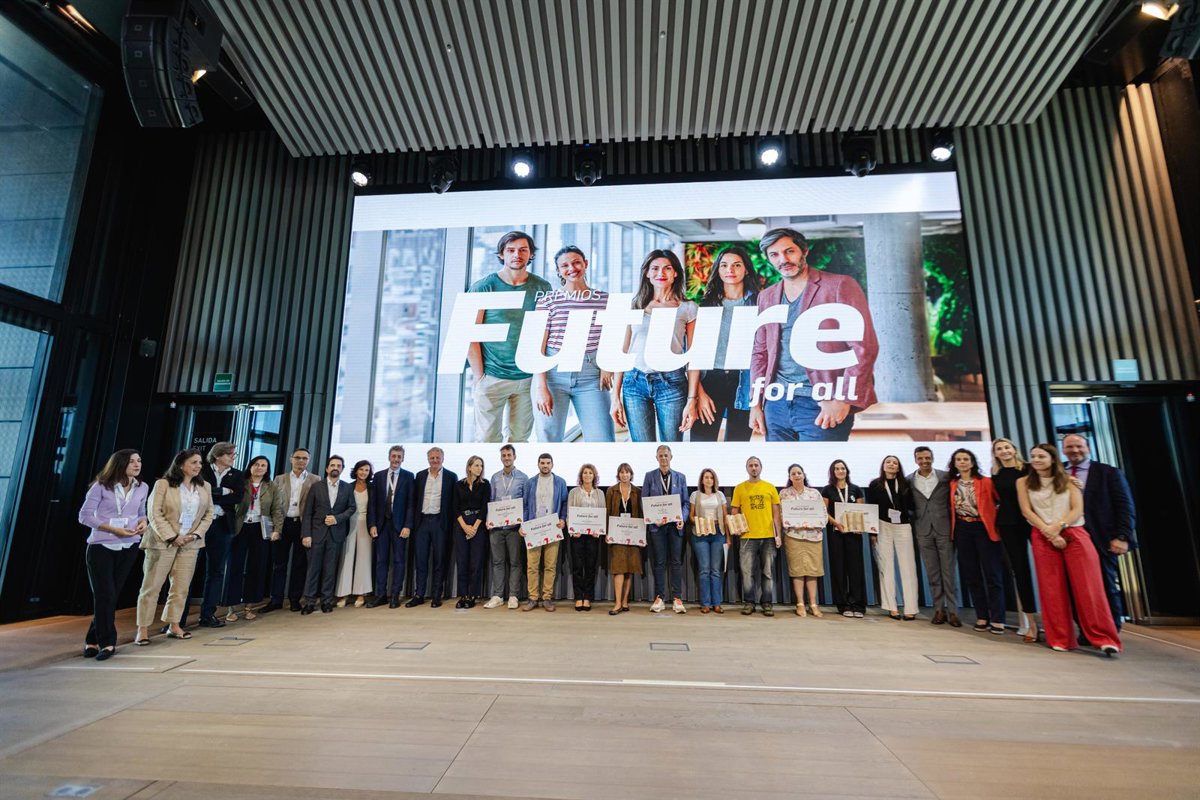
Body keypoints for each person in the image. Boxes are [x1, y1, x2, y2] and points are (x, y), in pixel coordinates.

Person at [749, 228, 878, 442]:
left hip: (821, 403)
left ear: (805, 251)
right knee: (781, 464)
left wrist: (844, 399)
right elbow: (760, 353)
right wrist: (756, 403)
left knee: (820, 464)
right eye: (774, 255)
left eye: (789, 251)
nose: (783, 260)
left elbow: (864, 348)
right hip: (776, 404)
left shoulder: (839, 285)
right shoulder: (767, 296)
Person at [1017, 443, 1121, 656]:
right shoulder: (1023, 482)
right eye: (1033, 456)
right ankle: (1060, 638)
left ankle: (1104, 638)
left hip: (1074, 533)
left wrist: (1059, 527)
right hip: (1042, 534)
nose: (1036, 460)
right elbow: (1027, 511)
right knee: (1052, 589)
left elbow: (1077, 509)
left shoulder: (1069, 480)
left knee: (1089, 588)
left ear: (1052, 459)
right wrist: (1049, 532)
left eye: (1041, 456)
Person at [611, 250, 713, 441]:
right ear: (647, 273)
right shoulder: (634, 306)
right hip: (634, 383)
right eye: (655, 268)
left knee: (671, 446)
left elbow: (694, 358)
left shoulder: (688, 308)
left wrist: (692, 399)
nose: (661, 273)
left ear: (675, 273)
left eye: (667, 268)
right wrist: (615, 397)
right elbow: (623, 352)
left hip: (671, 383)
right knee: (642, 447)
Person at [467, 230, 552, 442]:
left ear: (531, 254)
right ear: (501, 254)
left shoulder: (542, 287)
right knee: (487, 440)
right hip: (492, 377)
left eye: (523, 250)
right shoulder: (484, 287)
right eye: (511, 250)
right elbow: (470, 335)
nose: (517, 255)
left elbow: (546, 331)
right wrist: (480, 376)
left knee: (520, 440)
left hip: (527, 379)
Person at [532, 246, 615, 442]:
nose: (571, 268)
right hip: (552, 376)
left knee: (603, 440)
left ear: (585, 264)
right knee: (548, 440)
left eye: (576, 262)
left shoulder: (604, 300)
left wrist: (607, 365)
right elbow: (538, 346)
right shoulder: (548, 301)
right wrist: (541, 387)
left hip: (591, 375)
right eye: (565, 265)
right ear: (558, 270)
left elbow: (611, 336)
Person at [134, 449, 213, 644]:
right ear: (180, 464)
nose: (198, 466)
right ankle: (142, 629)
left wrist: (195, 534)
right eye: (193, 462)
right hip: (163, 542)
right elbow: (154, 513)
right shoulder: (163, 484)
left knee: (181, 587)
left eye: (200, 463)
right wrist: (172, 536)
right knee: (151, 587)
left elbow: (208, 514)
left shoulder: (205, 486)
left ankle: (174, 625)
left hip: (191, 543)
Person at [77, 449, 150, 659]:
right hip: (101, 546)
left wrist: (144, 522)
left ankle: (92, 639)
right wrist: (112, 529)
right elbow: (84, 516)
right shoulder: (101, 486)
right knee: (105, 595)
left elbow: (141, 513)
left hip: (129, 546)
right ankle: (107, 643)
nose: (137, 464)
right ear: (120, 464)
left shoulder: (142, 487)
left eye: (139, 460)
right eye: (132, 461)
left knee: (110, 596)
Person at [1062, 433, 1137, 629]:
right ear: (1063, 449)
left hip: (1101, 538)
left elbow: (1125, 506)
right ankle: (1085, 628)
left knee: (1105, 584)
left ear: (1088, 448)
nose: (1075, 450)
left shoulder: (1108, 472)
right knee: (1075, 586)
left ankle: (1110, 629)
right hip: (1068, 538)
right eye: (1069, 447)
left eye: (1079, 446)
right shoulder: (1058, 473)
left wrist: (1122, 536)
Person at [691, 244, 760, 442]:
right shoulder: (704, 306)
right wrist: (698, 393)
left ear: (746, 270)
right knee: (701, 444)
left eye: (737, 265)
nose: (730, 270)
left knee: (737, 447)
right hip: (711, 380)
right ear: (718, 270)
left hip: (744, 381)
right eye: (724, 265)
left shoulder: (759, 304)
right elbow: (695, 354)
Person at [183, 441, 243, 628]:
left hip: (222, 526)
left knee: (216, 571)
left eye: (234, 454)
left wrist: (212, 495)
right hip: (198, 526)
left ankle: (208, 615)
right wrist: (223, 491)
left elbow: (237, 497)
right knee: (187, 570)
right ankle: (178, 618)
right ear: (218, 455)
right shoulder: (201, 471)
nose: (233, 457)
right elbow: (198, 493)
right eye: (230, 454)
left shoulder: (237, 474)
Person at [949, 448, 1006, 635]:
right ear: (954, 463)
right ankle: (982, 616)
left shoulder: (986, 482)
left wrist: (993, 517)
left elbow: (1001, 502)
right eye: (959, 459)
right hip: (962, 529)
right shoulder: (952, 483)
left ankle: (997, 618)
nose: (962, 462)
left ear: (972, 462)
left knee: (992, 574)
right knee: (972, 575)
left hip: (983, 528)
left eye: (966, 459)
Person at [909, 446, 960, 626]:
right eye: (920, 458)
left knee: (948, 573)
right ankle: (939, 610)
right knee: (932, 574)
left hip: (944, 529)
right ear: (915, 460)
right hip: (923, 531)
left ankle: (953, 612)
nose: (924, 461)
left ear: (932, 458)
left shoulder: (945, 477)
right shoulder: (909, 480)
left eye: (927, 458)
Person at [992, 437, 1037, 641]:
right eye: (999, 449)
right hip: (1008, 524)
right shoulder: (996, 474)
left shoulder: (1030, 469)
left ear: (1014, 449)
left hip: (1034, 522)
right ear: (995, 453)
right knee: (1020, 571)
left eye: (1006, 447)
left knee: (1047, 570)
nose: (1004, 451)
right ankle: (1030, 624)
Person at [263, 448, 320, 613]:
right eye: (298, 458)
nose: (301, 461)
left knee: (299, 564)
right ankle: (276, 599)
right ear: (291, 459)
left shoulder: (315, 479)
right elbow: (274, 504)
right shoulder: (279, 479)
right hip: (283, 524)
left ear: (308, 460)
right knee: (279, 564)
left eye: (304, 458)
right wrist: (275, 527)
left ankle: (295, 599)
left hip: (302, 525)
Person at [299, 455, 355, 614]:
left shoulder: (347, 488)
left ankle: (326, 601)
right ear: (327, 468)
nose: (335, 468)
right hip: (316, 534)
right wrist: (306, 534)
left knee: (330, 570)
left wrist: (337, 519)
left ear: (342, 469)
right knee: (313, 569)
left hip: (336, 535)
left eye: (339, 465)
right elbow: (307, 512)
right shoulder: (316, 487)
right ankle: (309, 602)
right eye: (332, 465)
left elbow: (352, 508)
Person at [867, 456, 919, 621]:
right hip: (882, 525)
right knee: (886, 566)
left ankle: (910, 608)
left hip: (903, 526)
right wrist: (872, 532)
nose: (891, 464)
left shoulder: (906, 484)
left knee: (908, 567)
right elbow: (871, 508)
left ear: (898, 467)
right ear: (883, 466)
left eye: (895, 463)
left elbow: (912, 506)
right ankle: (892, 607)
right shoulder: (875, 484)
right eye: (888, 462)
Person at [224, 456, 275, 621]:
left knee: (256, 567)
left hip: (260, 528)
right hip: (240, 527)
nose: (259, 467)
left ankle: (249, 606)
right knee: (235, 566)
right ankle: (231, 607)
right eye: (256, 464)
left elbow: (277, 509)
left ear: (267, 469)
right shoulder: (241, 482)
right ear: (250, 466)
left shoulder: (271, 486)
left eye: (263, 465)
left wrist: (277, 530)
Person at [642, 445, 690, 613]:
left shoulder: (680, 477)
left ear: (671, 457)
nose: (663, 458)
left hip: (675, 527)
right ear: (656, 458)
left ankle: (677, 598)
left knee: (676, 562)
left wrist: (682, 519)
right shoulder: (649, 476)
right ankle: (660, 598)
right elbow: (645, 501)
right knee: (659, 562)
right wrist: (654, 519)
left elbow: (686, 503)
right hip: (657, 528)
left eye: (666, 455)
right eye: (660, 455)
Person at [732, 457, 782, 616]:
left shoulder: (770, 487)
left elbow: (776, 513)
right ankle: (749, 602)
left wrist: (778, 534)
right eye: (751, 465)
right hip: (747, 537)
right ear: (747, 468)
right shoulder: (739, 488)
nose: (754, 468)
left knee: (768, 572)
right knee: (747, 573)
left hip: (768, 537)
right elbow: (734, 511)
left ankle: (767, 603)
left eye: (756, 465)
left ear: (761, 467)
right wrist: (736, 527)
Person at [409, 447, 458, 608]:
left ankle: (437, 595)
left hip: (440, 523)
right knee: (421, 560)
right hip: (422, 522)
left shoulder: (451, 477)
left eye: (438, 458)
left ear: (443, 459)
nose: (435, 460)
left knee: (440, 560)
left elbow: (453, 504)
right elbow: (414, 500)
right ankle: (419, 594)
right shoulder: (420, 476)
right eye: (432, 458)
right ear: (428, 459)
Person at [366, 446, 414, 608]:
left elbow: (411, 504)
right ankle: (380, 595)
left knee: (399, 560)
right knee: (381, 561)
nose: (396, 459)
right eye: (394, 456)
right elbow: (372, 503)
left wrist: (408, 525)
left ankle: (395, 595)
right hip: (381, 525)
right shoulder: (379, 476)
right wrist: (372, 524)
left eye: (399, 457)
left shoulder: (408, 476)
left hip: (399, 526)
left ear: (403, 459)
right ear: (389, 457)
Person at [522, 453, 568, 611]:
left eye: (548, 463)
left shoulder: (560, 482)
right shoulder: (530, 482)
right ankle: (533, 598)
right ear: (538, 464)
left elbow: (564, 503)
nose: (545, 465)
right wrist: (523, 524)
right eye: (542, 463)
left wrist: (563, 519)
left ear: (552, 464)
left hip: (552, 528)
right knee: (532, 566)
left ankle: (547, 598)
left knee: (550, 566)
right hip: (533, 529)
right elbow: (525, 505)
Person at [484, 444, 527, 609]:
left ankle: (513, 596)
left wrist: (523, 523)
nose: (506, 458)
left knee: (515, 562)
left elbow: (525, 503)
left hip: (514, 528)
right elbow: (491, 501)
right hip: (496, 528)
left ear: (514, 457)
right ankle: (498, 596)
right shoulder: (495, 477)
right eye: (504, 455)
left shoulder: (523, 478)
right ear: (501, 458)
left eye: (509, 455)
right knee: (497, 562)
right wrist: (489, 519)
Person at [822, 459, 867, 617]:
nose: (840, 471)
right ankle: (843, 605)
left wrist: (860, 526)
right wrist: (836, 523)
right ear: (832, 472)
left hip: (854, 534)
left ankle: (858, 605)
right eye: (837, 468)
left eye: (843, 468)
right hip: (836, 533)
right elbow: (824, 512)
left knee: (856, 568)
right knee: (839, 568)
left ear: (847, 471)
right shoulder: (827, 490)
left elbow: (862, 511)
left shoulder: (856, 489)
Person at [779, 463, 824, 618]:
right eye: (793, 473)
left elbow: (823, 514)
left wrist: (813, 522)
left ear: (804, 475)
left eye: (799, 473)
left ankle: (813, 604)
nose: (797, 475)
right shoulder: (784, 494)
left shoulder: (814, 493)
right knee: (797, 570)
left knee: (812, 571)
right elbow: (781, 515)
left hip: (813, 536)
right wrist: (794, 523)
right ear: (789, 477)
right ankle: (800, 603)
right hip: (794, 536)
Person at [452, 456, 491, 608]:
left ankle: (473, 595)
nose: (479, 468)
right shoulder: (458, 485)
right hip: (461, 524)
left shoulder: (485, 484)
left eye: (481, 465)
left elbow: (485, 507)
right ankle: (463, 595)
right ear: (469, 467)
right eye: (476, 465)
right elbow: (455, 507)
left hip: (478, 524)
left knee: (476, 561)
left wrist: (474, 527)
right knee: (462, 561)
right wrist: (464, 526)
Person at [335, 460, 375, 607]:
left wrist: (373, 525)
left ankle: (361, 594)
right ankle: (343, 594)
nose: (364, 472)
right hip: (348, 524)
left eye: (366, 470)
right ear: (356, 470)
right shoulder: (348, 486)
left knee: (364, 559)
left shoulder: (372, 487)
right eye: (361, 469)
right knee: (346, 558)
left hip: (366, 524)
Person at [606, 463, 643, 614]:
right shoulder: (611, 491)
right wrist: (607, 533)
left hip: (633, 535)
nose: (624, 475)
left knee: (629, 569)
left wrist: (642, 536)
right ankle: (617, 603)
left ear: (631, 474)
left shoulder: (638, 491)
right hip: (616, 534)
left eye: (627, 472)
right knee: (618, 569)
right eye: (621, 472)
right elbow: (607, 512)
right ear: (618, 475)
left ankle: (625, 601)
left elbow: (641, 514)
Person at [688, 468, 727, 614]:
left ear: (714, 480)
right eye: (706, 477)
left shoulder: (720, 495)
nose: (709, 480)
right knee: (704, 570)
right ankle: (705, 604)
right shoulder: (695, 495)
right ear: (702, 480)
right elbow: (691, 516)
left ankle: (716, 603)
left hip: (718, 532)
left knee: (715, 570)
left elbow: (725, 517)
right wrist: (699, 522)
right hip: (701, 533)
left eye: (711, 477)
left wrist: (728, 538)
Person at [568, 463, 606, 611]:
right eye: (585, 473)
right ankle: (579, 597)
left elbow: (602, 512)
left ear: (594, 476)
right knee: (577, 567)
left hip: (593, 536)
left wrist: (599, 530)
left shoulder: (600, 493)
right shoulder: (574, 492)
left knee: (590, 567)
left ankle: (588, 597)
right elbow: (569, 513)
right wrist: (573, 530)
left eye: (590, 473)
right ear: (581, 476)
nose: (587, 475)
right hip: (577, 535)